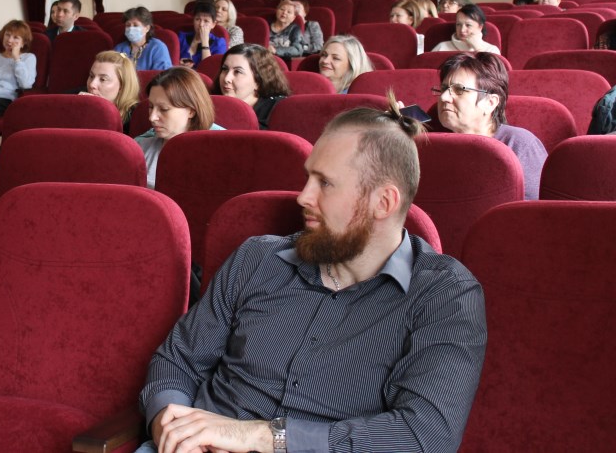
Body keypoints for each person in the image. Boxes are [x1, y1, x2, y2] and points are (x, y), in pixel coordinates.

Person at [137, 100, 487, 453]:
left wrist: (262, 436)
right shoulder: (257, 257)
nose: (303, 197)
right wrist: (173, 427)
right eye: (308, 177)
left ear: (384, 203)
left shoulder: (444, 295)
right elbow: (177, 360)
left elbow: (425, 436)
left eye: (325, 183)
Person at [436, 52, 546, 200]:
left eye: (459, 90)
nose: (444, 97)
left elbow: (531, 210)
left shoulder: (520, 145)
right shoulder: (431, 142)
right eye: (444, 89)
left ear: (490, 103)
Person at [135, 67, 223, 190]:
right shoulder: (139, 149)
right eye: (150, 107)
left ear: (191, 111)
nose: (152, 117)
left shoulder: (217, 154)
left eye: (164, 109)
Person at [214, 44, 291, 130]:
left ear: (259, 79)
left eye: (238, 71)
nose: (226, 78)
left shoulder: (278, 110)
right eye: (225, 69)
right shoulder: (211, 103)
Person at [0, 20, 36, 118]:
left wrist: (16, 58)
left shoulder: (28, 58)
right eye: (7, 35)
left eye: (15, 37)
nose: (9, 40)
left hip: (3, 98)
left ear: (23, 42)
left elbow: (26, 84)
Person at [82, 50, 140, 130]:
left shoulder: (136, 116)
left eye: (103, 79)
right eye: (91, 76)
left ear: (122, 85)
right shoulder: (78, 98)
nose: (92, 84)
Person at [114, 7, 173, 71]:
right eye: (128, 25)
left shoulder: (158, 47)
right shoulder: (119, 48)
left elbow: (162, 74)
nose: (131, 28)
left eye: (135, 25)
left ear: (147, 28)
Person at [431, 4, 500, 54]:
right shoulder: (442, 47)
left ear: (480, 27)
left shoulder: (491, 50)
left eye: (468, 25)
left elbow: (491, 70)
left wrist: (478, 48)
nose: (462, 30)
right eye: (458, 24)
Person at [178, 2, 228, 67]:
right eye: (197, 19)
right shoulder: (182, 37)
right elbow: (172, 62)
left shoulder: (219, 43)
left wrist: (205, 42)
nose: (201, 24)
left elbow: (209, 68)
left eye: (206, 21)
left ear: (213, 24)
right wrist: (179, 64)